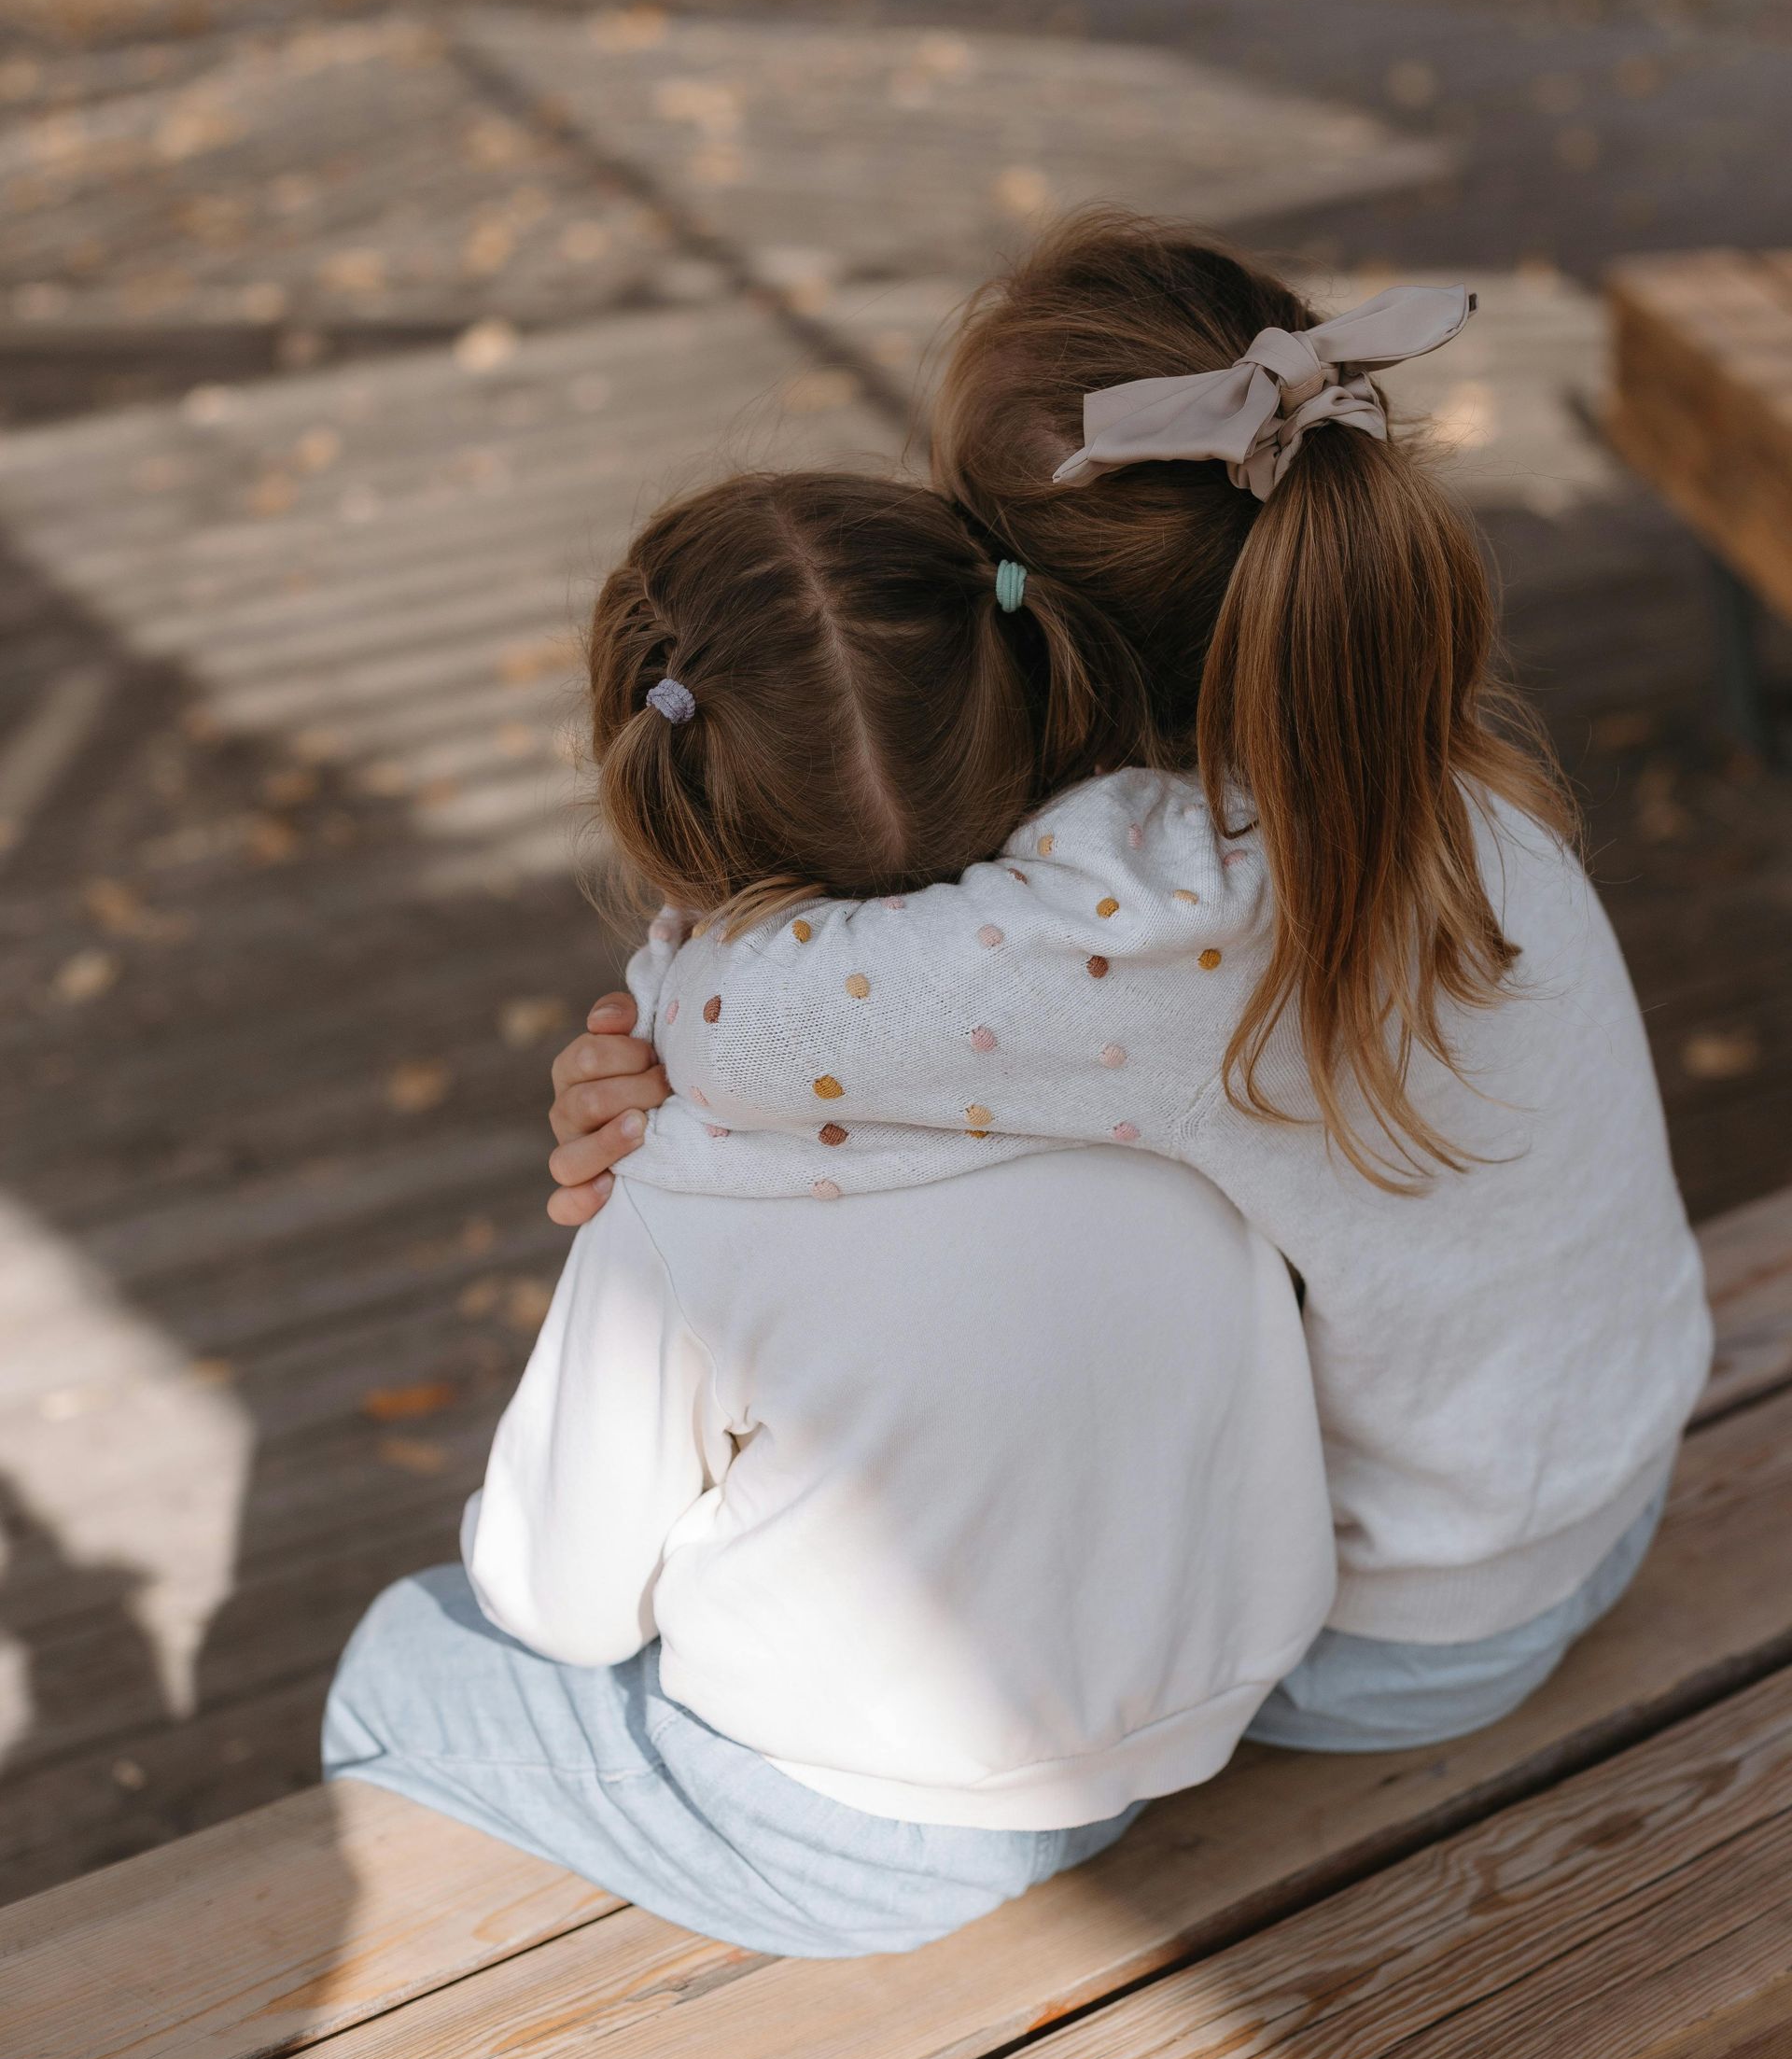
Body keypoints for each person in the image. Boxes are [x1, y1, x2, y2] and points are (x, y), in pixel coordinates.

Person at [542, 212, 1712, 1754]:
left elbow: (754, 1029)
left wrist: (654, 1024)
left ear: (1015, 612)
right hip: (1605, 1480)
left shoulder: (1157, 910)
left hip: (1404, 1631)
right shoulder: (1420, 766)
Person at [324, 469, 1337, 1958]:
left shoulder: (690, 1165)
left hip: (853, 1822)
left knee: (400, 1658)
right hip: (1187, 1715)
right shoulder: (1179, 1022)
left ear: (660, 787)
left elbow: (557, 1599)